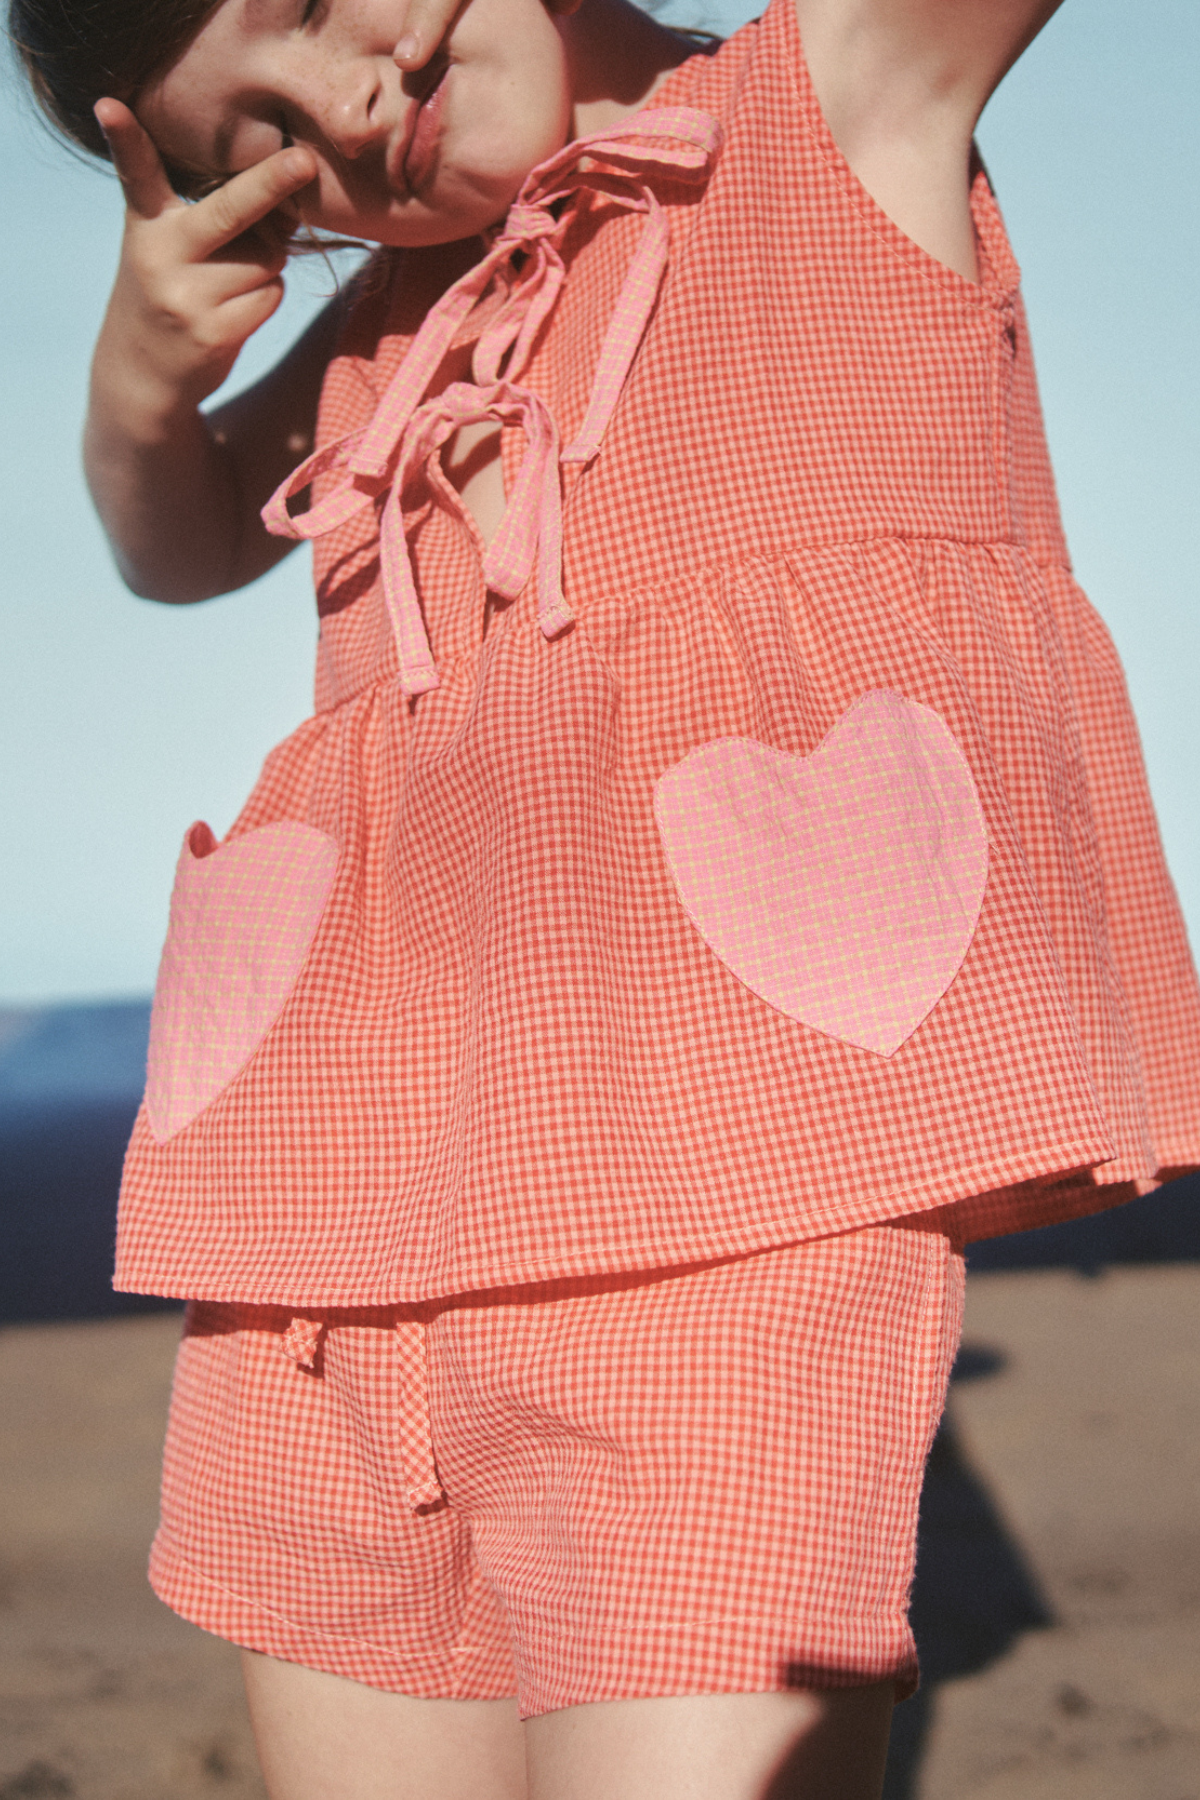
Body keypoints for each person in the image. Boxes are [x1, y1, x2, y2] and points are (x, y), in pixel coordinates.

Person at [11, 0, 1200, 1793]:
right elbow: (174, 543)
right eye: (262, 135)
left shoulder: (831, 106)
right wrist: (136, 381)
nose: (349, 100)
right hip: (321, 1250)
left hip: (739, 1214)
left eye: (320, 4)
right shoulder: (381, 334)